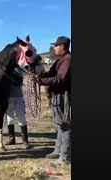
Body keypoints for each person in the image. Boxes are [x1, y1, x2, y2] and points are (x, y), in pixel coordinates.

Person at [30, 36, 71, 166]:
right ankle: (58, 150)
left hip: (64, 96)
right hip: (57, 95)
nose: (54, 48)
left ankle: (64, 157)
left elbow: (60, 79)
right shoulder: (60, 60)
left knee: (65, 126)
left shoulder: (68, 59)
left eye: (56, 46)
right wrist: (38, 71)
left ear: (62, 46)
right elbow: (50, 75)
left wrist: (40, 81)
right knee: (60, 125)